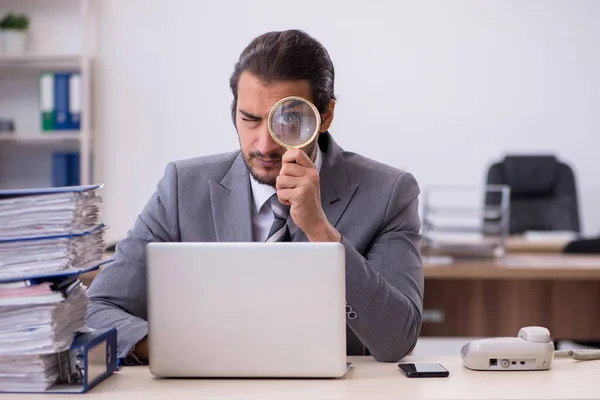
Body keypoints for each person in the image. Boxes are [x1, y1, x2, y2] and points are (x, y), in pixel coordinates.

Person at [86, 29, 424, 364]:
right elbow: (95, 309)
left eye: (288, 120)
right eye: (249, 119)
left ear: (326, 116)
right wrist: (169, 347)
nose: (264, 145)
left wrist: (321, 232)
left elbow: (396, 340)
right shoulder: (181, 189)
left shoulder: (389, 193)